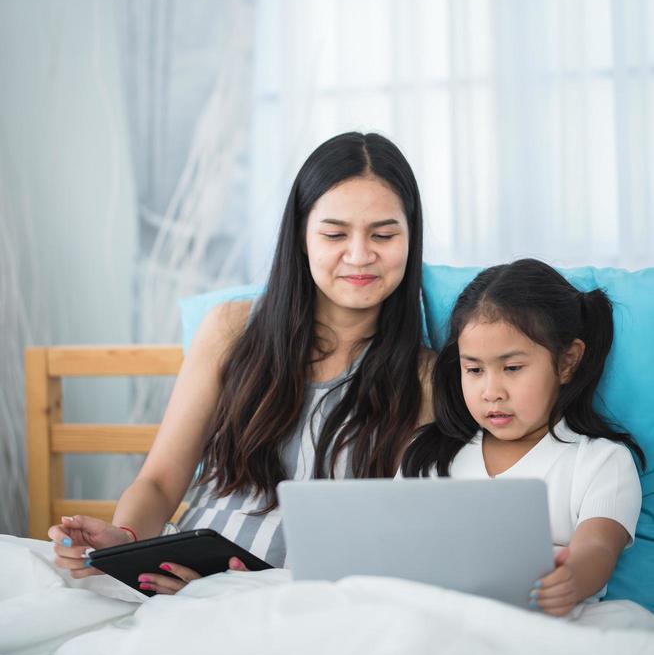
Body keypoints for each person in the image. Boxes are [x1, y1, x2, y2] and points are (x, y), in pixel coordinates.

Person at [50, 131, 434, 593]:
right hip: (177, 579)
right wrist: (128, 540)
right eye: (334, 233)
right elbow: (158, 481)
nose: (359, 255)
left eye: (384, 234)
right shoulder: (231, 329)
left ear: (411, 238)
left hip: (307, 604)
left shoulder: (426, 377)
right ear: (301, 236)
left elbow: (400, 540)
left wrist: (236, 593)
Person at [402, 258, 646, 619]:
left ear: (567, 362)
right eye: (474, 369)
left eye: (512, 368)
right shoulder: (429, 454)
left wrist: (573, 578)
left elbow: (597, 546)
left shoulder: (600, 461)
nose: (491, 391)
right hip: (441, 619)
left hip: (547, 625)